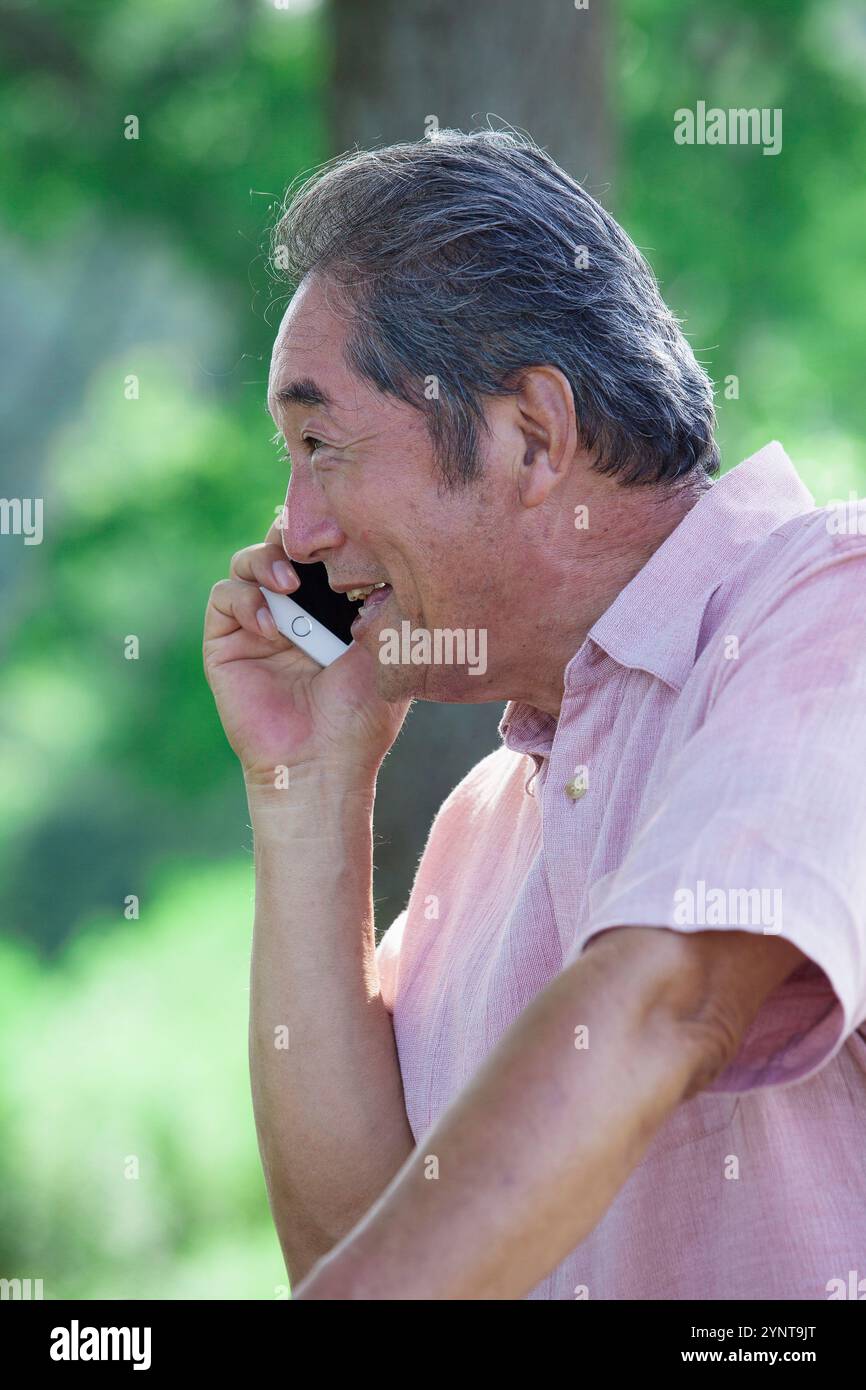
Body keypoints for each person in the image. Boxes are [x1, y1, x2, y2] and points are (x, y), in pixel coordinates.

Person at [203, 129, 866, 1300]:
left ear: (531, 436)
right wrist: (306, 790)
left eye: (320, 444)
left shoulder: (830, 609)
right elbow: (362, 1251)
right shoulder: (481, 825)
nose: (291, 531)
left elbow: (667, 1001)